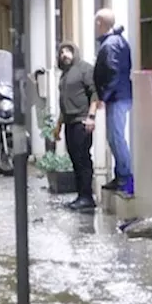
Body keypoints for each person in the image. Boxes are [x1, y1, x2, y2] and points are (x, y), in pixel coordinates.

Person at [53, 41, 99, 211]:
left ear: (75, 52)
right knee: (74, 159)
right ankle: (81, 195)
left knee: (82, 159)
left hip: (82, 120)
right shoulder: (65, 74)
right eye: (61, 52)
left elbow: (94, 92)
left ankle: (87, 196)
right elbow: (64, 103)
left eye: (68, 51)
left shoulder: (84, 69)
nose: (64, 54)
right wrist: (58, 125)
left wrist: (91, 116)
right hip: (69, 122)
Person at [93, 9, 134, 197]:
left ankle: (125, 177)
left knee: (116, 137)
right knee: (115, 137)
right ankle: (122, 176)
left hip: (117, 96)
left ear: (101, 23)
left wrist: (104, 96)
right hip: (119, 94)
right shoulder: (117, 41)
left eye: (96, 23)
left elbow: (112, 72)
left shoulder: (110, 45)